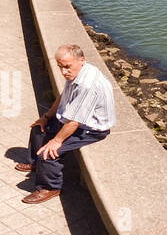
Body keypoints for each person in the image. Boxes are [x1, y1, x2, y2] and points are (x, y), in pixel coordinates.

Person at [21, 43, 114, 205]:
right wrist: (46, 116)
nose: (64, 71)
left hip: (91, 128)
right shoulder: (76, 73)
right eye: (60, 67)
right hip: (73, 118)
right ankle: (36, 164)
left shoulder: (88, 84)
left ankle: (50, 188)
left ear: (82, 60)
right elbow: (63, 96)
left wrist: (56, 141)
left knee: (48, 152)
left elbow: (74, 122)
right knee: (38, 129)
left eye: (67, 66)